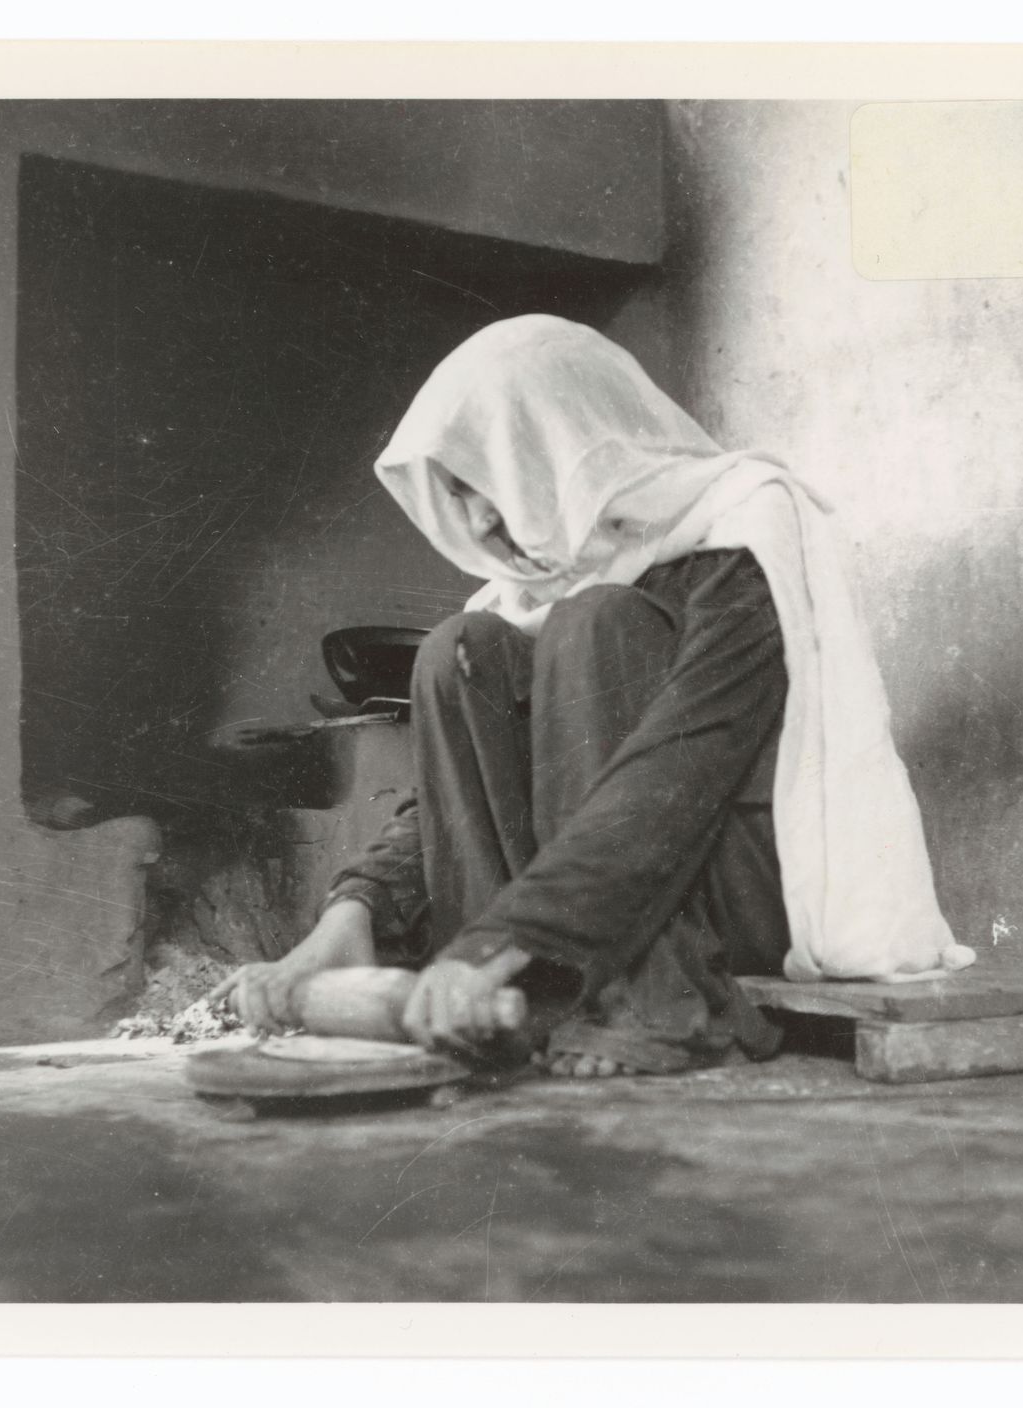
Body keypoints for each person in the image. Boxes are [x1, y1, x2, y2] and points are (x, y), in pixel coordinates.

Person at [212, 316, 974, 1076]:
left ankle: (651, 1005)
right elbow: (445, 799)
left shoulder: (740, 531)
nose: (478, 516)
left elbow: (672, 774)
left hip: (738, 903)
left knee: (595, 622)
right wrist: (355, 914)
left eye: (490, 473)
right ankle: (505, 1008)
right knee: (457, 653)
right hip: (575, 927)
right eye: (458, 490)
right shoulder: (519, 594)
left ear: (561, 441)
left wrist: (495, 944)